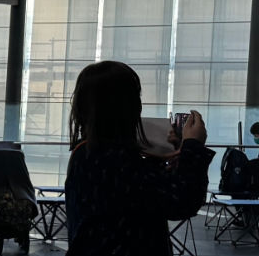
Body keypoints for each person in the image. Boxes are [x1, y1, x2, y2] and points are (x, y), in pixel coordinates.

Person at [65, 61, 214, 255]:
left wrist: (173, 154)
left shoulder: (87, 154)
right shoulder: (115, 160)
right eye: (136, 96)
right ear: (125, 106)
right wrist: (193, 147)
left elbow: (135, 196)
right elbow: (181, 201)